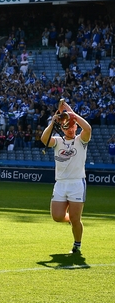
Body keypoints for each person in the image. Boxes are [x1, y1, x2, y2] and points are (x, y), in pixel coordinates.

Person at [40, 100, 92, 254]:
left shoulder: (81, 140)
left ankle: (77, 244)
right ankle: (74, 221)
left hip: (77, 183)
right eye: (67, 127)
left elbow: (88, 128)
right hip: (61, 183)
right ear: (62, 129)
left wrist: (71, 113)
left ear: (76, 126)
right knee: (57, 216)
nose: (70, 129)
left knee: (76, 219)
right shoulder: (58, 142)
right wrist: (52, 122)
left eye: (72, 126)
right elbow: (44, 139)